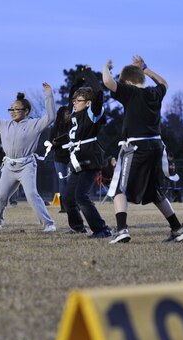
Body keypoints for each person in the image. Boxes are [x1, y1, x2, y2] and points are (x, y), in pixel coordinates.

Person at [102, 56, 183, 243]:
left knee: (119, 188)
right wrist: (145, 68)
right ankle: (178, 229)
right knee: (153, 191)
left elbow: (108, 82)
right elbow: (164, 82)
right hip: (156, 146)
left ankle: (122, 230)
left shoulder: (131, 92)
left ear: (128, 82)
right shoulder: (154, 93)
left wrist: (106, 67)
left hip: (137, 147)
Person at [0, 83, 56, 233]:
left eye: (17, 109)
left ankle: (48, 224)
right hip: (9, 166)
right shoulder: (4, 124)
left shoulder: (34, 124)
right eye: (12, 109)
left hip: (27, 165)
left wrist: (49, 95)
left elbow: (50, 117)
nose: (13, 112)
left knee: (31, 195)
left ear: (27, 111)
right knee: (1, 196)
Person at [61, 66, 112, 238]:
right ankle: (77, 227)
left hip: (90, 158)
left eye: (79, 100)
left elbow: (98, 92)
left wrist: (89, 75)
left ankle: (101, 229)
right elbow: (71, 96)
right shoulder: (75, 113)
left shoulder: (92, 113)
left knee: (81, 196)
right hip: (77, 158)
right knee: (68, 198)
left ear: (88, 103)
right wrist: (78, 79)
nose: (74, 103)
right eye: (74, 100)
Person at [50, 106, 71, 213]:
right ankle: (63, 207)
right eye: (67, 113)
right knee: (62, 182)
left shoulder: (72, 126)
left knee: (70, 181)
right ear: (62, 115)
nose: (69, 115)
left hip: (71, 158)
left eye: (69, 113)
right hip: (59, 158)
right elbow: (49, 144)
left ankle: (72, 205)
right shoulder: (55, 129)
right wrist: (54, 143)